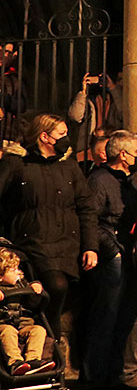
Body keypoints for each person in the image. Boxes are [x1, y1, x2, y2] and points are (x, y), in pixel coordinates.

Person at [0, 113, 99, 343]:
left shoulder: (69, 167)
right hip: (32, 240)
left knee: (57, 294)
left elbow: (86, 207)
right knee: (54, 286)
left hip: (66, 243)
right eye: (62, 134)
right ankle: (47, 342)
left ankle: (47, 346)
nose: (67, 138)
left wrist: (90, 246)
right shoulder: (17, 164)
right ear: (45, 137)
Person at [82, 129, 137, 387]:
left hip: (129, 254)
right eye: (135, 151)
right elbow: (91, 218)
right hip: (112, 256)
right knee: (106, 316)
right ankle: (94, 376)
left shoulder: (128, 182)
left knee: (125, 318)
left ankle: (116, 371)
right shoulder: (99, 180)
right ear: (122, 154)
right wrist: (112, 250)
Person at [0, 248, 52, 376]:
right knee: (8, 331)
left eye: (18, 269)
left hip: (23, 325)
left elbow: (33, 304)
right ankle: (15, 362)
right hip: (3, 325)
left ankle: (33, 360)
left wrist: (35, 286)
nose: (18, 273)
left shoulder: (22, 284)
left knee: (39, 330)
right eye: (13, 270)